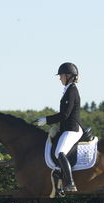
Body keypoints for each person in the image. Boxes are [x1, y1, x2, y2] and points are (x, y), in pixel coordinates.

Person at [35, 62, 83, 192]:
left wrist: (46, 120)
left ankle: (71, 183)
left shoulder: (72, 90)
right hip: (67, 128)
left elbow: (65, 114)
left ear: (69, 76)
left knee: (59, 152)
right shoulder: (68, 90)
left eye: (61, 75)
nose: (59, 78)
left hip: (72, 129)